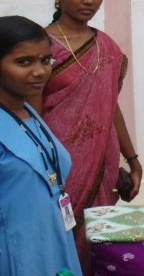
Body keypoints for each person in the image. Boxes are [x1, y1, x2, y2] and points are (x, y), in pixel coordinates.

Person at [28, 0, 142, 275]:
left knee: (95, 242)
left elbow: (110, 105)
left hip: (101, 164)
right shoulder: (40, 47)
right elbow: (31, 115)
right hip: (56, 165)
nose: (88, 0)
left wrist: (131, 159)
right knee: (56, 240)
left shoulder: (107, 46)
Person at [0, 16, 82, 276]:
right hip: (16, 255)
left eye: (45, 60)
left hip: (53, 242)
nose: (40, 71)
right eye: (23, 62)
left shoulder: (27, 112)